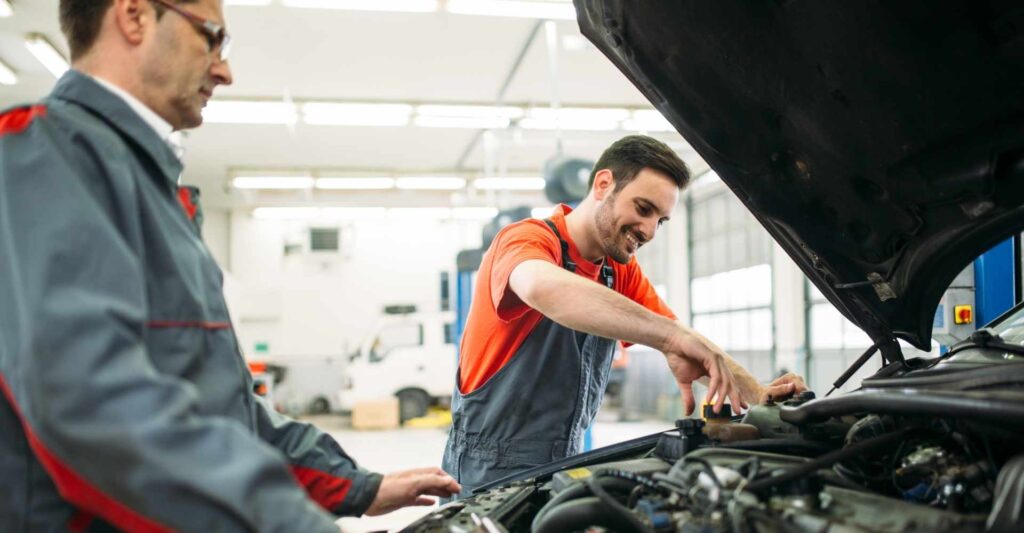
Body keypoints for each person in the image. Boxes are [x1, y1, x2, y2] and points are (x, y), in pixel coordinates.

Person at [0, 1, 458, 530]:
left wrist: (360, 485)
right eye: (211, 37)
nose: (225, 69)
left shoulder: (151, 192)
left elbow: (227, 411)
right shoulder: (42, 158)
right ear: (134, 17)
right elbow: (92, 408)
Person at [442, 135, 807, 496]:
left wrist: (757, 392)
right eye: (643, 209)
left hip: (564, 459)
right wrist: (669, 339)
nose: (648, 231)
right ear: (603, 184)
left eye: (660, 221)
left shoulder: (617, 271)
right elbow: (541, 286)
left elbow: (682, 335)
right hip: (488, 467)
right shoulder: (528, 239)